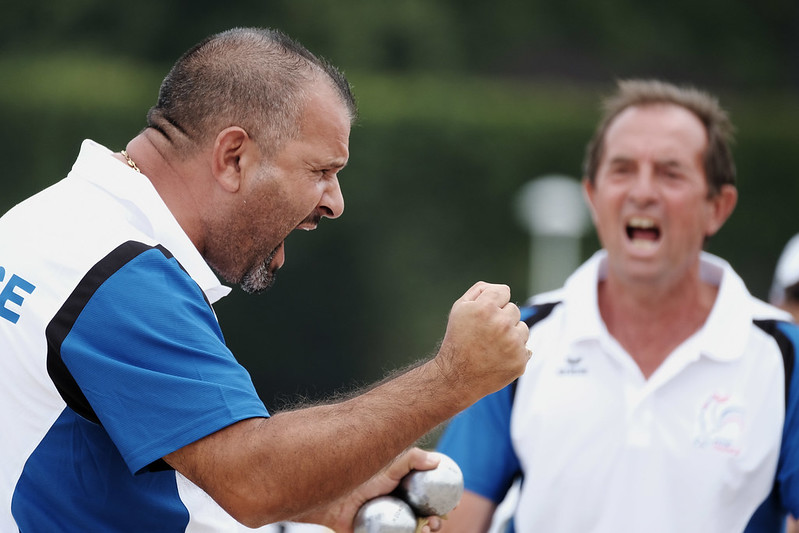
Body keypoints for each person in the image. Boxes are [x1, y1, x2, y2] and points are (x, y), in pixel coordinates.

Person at [0, 27, 532, 532]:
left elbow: (110, 455)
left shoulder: (46, 222)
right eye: (321, 171)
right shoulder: (122, 279)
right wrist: (452, 377)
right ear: (234, 157)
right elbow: (253, 479)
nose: (335, 202)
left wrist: (319, 496)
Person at [436, 79, 799, 532]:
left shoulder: (786, 357)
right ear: (593, 195)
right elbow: (452, 517)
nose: (643, 192)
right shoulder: (517, 339)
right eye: (623, 169)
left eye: (671, 173)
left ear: (717, 207)